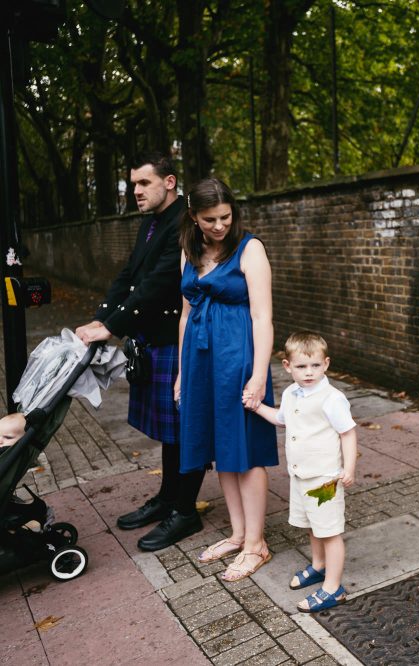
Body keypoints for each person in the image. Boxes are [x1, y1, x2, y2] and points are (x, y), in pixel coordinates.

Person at [76, 151, 205, 552]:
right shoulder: (150, 223)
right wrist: (101, 319)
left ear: (169, 182)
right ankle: (168, 498)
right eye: (133, 184)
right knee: (172, 432)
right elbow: (131, 275)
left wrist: (113, 326)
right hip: (156, 336)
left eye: (143, 183)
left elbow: (163, 281)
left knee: (186, 427)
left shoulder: (185, 221)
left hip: (180, 337)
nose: (135, 191)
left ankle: (186, 511)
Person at [176, 177, 279, 582]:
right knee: (220, 444)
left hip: (238, 357)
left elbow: (262, 317)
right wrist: (182, 374)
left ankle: (257, 543)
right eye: (209, 219)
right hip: (200, 362)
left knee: (246, 448)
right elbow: (185, 315)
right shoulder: (187, 249)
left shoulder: (249, 249)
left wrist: (257, 375)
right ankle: (238, 534)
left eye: (225, 216)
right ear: (193, 217)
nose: (219, 225)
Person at [246, 331, 358, 612]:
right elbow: (281, 420)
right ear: (287, 366)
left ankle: (333, 588)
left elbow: (348, 433)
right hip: (301, 476)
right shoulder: (291, 393)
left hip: (325, 480)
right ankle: (319, 566)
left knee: (329, 531)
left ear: (326, 364)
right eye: (301, 366)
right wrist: (257, 407)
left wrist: (349, 468)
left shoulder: (332, 398)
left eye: (315, 366)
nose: (309, 372)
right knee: (312, 525)